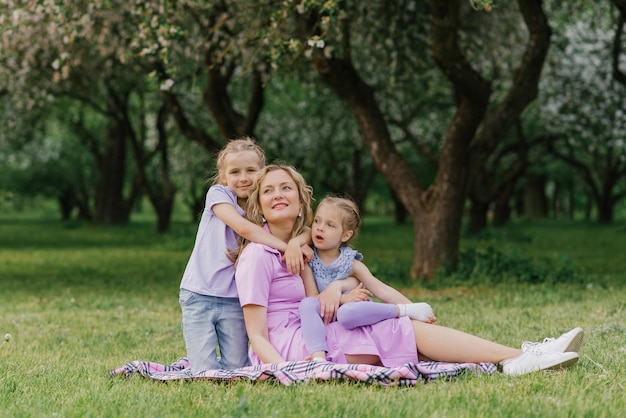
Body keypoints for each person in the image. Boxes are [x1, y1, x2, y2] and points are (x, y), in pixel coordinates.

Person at [234, 164, 584, 376]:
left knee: (403, 330)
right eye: (268, 191)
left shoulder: (304, 247)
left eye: (286, 188)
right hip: (295, 347)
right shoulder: (257, 257)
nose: (277, 194)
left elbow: (316, 300)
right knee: (399, 329)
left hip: (319, 329)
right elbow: (257, 335)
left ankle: (524, 355)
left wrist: (337, 288)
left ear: (299, 203)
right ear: (260, 205)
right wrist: (286, 371)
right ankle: (519, 357)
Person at [179, 139, 312, 374]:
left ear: (261, 173)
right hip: (200, 294)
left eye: (251, 171)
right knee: (204, 372)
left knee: (237, 369)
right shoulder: (219, 195)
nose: (243, 178)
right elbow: (244, 229)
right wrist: (286, 247)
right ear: (224, 177)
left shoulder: (260, 208)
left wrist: (296, 243)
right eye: (235, 172)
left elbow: (309, 230)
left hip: (234, 299)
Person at [298, 196, 437, 360]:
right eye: (317, 221)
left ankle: (403, 311)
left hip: (355, 312)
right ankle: (318, 358)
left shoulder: (351, 263)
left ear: (345, 235)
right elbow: (313, 297)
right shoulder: (308, 259)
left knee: (347, 313)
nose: (320, 228)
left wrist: (413, 307)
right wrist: (344, 298)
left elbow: (382, 290)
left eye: (330, 225)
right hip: (326, 312)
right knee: (307, 304)